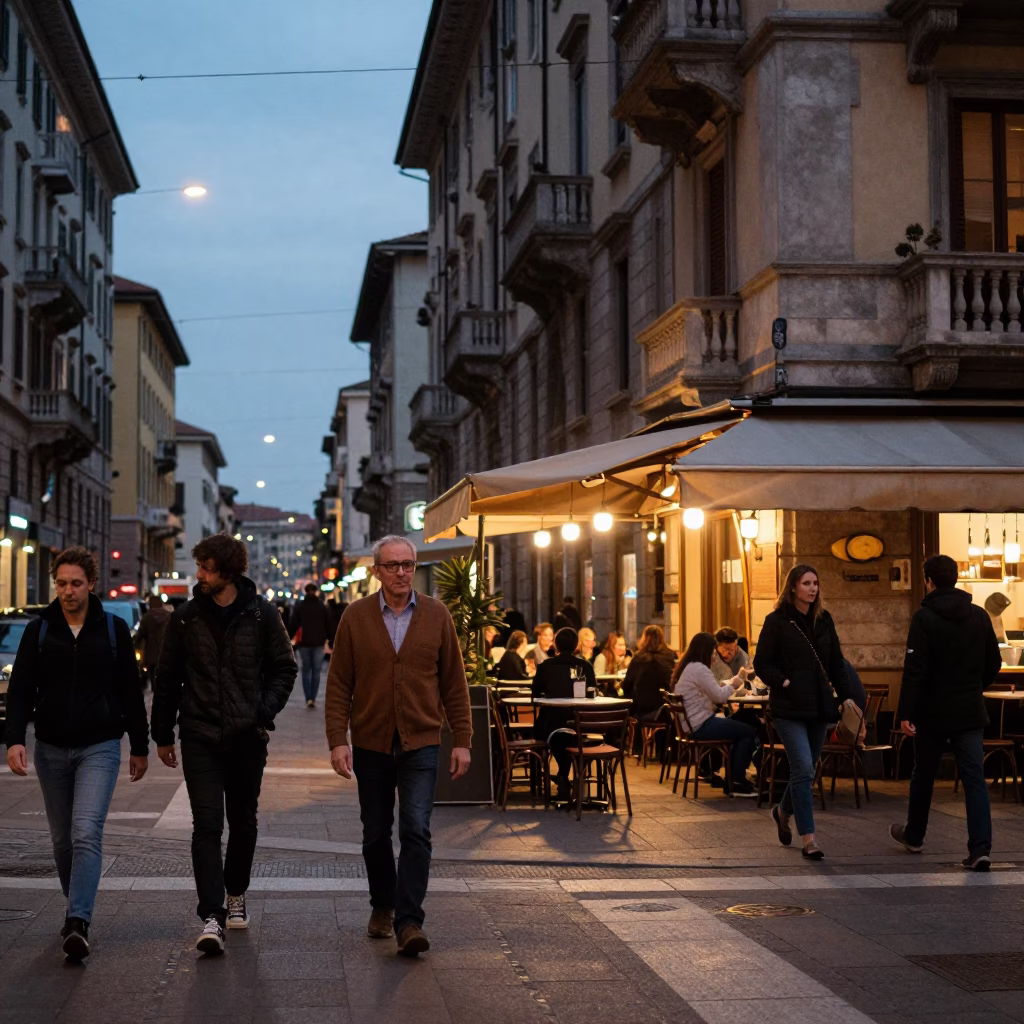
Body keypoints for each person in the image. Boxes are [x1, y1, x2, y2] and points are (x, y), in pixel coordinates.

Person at [325, 535, 472, 957]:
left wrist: (462, 739)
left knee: (417, 829)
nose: (402, 572)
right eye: (392, 565)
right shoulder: (354, 617)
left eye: (407, 564)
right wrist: (338, 740)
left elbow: (454, 684)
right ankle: (382, 905)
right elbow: (339, 686)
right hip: (370, 742)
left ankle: (409, 920)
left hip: (421, 742)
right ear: (377, 571)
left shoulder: (436, 614)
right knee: (375, 834)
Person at [151, 535, 297, 955]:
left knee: (244, 822)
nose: (199, 575)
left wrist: (260, 712)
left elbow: (285, 668)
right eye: (200, 567)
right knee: (207, 825)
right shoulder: (186, 617)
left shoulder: (261, 614)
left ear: (228, 571)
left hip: (247, 737)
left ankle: (236, 894)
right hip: (199, 734)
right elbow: (167, 677)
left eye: (208, 568)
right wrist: (162, 734)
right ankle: (212, 914)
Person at [4, 547, 149, 961]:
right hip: (50, 748)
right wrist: (15, 738)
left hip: (99, 746)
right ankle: (76, 905)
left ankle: (78, 920)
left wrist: (138, 745)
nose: (68, 591)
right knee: (62, 840)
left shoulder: (113, 629)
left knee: (86, 831)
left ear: (91, 584)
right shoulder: (40, 630)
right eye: (62, 584)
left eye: (76, 583)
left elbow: (130, 692)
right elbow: (21, 689)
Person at [890, 554, 1001, 870]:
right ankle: (980, 848)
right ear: (955, 578)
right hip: (969, 710)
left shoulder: (924, 619)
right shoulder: (979, 616)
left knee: (923, 774)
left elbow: (914, 669)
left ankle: (914, 835)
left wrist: (906, 712)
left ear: (929, 581)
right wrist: (973, 686)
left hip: (932, 711)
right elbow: (993, 662)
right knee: (974, 779)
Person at [755, 564, 854, 858]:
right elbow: (762, 663)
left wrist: (847, 696)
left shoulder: (824, 621)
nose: (813, 588)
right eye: (807, 583)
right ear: (793, 587)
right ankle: (809, 838)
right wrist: (783, 681)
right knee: (803, 768)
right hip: (788, 707)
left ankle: (781, 812)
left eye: (816, 583)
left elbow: (836, 662)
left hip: (820, 707)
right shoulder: (777, 622)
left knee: (805, 771)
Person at [671, 632, 756, 796]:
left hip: (692, 723)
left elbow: (716, 690)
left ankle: (733, 779)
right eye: (712, 652)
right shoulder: (700, 669)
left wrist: (735, 680)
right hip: (701, 724)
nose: (714, 657)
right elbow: (720, 696)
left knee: (742, 722)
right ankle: (737, 782)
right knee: (748, 731)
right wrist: (737, 682)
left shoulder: (690, 667)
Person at [532, 627, 597, 802]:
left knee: (558, 734)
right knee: (568, 734)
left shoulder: (545, 667)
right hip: (579, 724)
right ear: (577, 645)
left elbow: (535, 694)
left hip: (548, 724)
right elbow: (592, 692)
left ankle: (562, 776)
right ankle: (565, 776)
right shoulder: (585, 666)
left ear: (556, 645)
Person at [621, 625, 676, 754]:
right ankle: (660, 749)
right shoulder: (670, 657)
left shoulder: (638, 659)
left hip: (641, 708)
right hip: (665, 707)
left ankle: (633, 746)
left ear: (645, 639)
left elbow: (627, 684)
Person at [290, 582, 332, 708]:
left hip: (304, 643)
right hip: (318, 642)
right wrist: (330, 639)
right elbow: (329, 624)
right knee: (316, 670)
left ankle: (308, 697)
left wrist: (288, 637)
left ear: (305, 591)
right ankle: (313, 698)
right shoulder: (322, 607)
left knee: (306, 670)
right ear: (316, 591)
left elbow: (293, 624)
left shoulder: (301, 606)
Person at [136, 593, 172, 688]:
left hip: (151, 653)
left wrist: (135, 646)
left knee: (153, 677)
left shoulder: (147, 617)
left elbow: (140, 635)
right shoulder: (168, 616)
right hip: (166, 653)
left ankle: (154, 693)